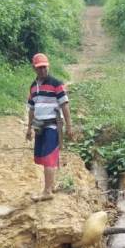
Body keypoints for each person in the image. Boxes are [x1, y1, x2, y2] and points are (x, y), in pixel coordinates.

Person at [25, 53, 74, 201]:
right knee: (43, 157)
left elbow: (64, 106)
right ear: (34, 68)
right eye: (39, 68)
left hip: (52, 125)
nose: (42, 70)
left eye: (44, 67)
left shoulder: (56, 83)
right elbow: (32, 109)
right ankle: (51, 185)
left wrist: (69, 127)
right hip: (39, 126)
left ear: (48, 66)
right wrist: (29, 128)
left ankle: (47, 191)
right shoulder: (33, 87)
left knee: (48, 157)